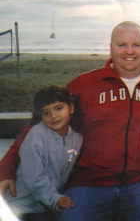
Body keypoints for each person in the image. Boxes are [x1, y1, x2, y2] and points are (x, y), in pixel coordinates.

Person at [0, 21, 140, 221]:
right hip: (88, 183)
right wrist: (6, 168)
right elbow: (37, 125)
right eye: (122, 44)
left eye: (136, 45)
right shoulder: (85, 84)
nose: (129, 51)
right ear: (111, 48)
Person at [4, 86, 83, 221]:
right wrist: (54, 198)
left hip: (46, 205)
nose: (53, 116)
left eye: (59, 108)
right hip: (22, 207)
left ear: (71, 108)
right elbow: (34, 175)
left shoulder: (76, 138)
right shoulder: (36, 135)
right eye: (46, 113)